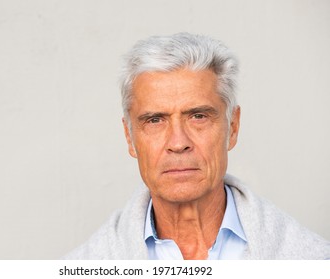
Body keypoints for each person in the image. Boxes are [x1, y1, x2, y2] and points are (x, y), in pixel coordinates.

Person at [64, 32, 330, 260]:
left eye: (198, 116)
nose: (178, 143)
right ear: (129, 137)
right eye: (155, 120)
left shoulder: (314, 260)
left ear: (232, 128)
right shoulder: (84, 265)